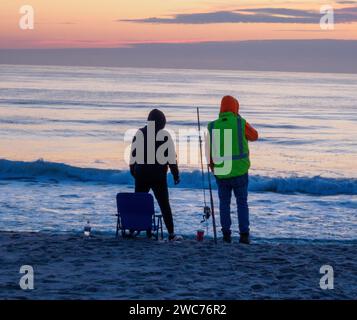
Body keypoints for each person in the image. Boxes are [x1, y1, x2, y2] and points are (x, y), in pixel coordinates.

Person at [207, 96, 258, 244]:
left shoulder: (212, 126)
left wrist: (213, 167)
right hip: (240, 171)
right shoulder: (240, 123)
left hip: (221, 172)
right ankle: (244, 235)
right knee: (242, 203)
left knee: (224, 204)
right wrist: (240, 118)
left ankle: (226, 235)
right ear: (236, 108)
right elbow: (255, 136)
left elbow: (209, 151)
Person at [130, 109, 182, 241]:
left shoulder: (140, 133)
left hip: (141, 174)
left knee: (140, 203)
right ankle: (171, 233)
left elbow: (133, 156)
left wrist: (134, 172)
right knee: (164, 205)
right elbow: (171, 158)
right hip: (158, 176)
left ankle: (136, 230)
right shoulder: (164, 135)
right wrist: (176, 175)